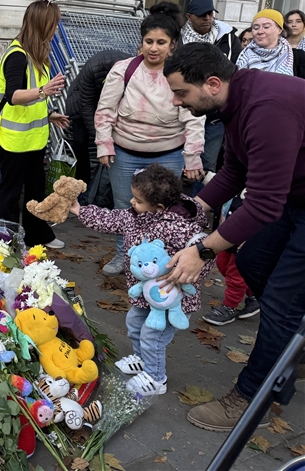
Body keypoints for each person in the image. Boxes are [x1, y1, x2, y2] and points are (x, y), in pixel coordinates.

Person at [163, 42, 305, 431]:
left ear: (211, 83)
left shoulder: (266, 109)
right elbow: (233, 172)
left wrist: (202, 251)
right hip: (293, 196)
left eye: (180, 93)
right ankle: (291, 342)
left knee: (280, 303)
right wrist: (189, 210)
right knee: (252, 261)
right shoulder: (233, 102)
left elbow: (262, 206)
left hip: (290, 201)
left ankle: (250, 400)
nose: (176, 101)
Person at [69, 164, 211, 395]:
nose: (132, 203)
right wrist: (80, 210)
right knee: (135, 325)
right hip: (145, 291)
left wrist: (181, 278)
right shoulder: (135, 216)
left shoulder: (180, 228)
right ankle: (142, 359)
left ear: (159, 207)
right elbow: (110, 219)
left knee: (153, 337)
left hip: (171, 299)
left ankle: (156, 379)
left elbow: (202, 256)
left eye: (138, 200)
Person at [94, 2, 206, 276]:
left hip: (168, 152)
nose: (154, 48)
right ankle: (125, 256)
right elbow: (105, 110)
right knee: (126, 208)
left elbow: (194, 117)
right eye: (149, 41)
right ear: (141, 42)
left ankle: (161, 259)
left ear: (173, 45)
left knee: (164, 210)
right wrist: (104, 144)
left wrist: (192, 157)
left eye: (161, 42)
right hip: (124, 152)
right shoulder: (124, 69)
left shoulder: (182, 74)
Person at [0, 0, 69, 248]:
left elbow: (32, 98)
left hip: (33, 139)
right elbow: (13, 96)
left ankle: (37, 235)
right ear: (42, 25)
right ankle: (4, 241)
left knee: (36, 190)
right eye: (54, 24)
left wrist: (48, 115)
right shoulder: (17, 55)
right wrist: (45, 91)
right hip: (13, 140)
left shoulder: (37, 55)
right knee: (11, 193)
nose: (56, 29)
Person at [180, 0, 242, 193]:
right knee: (181, 162)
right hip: (186, 112)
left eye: (210, 13)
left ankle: (197, 209)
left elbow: (233, 71)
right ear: (189, 17)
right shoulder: (178, 38)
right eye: (202, 15)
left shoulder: (228, 38)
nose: (208, 18)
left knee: (206, 167)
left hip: (215, 117)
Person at [64, 50, 130, 185]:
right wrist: (99, 135)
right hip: (80, 101)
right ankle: (83, 182)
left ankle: (106, 181)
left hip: (110, 102)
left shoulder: (130, 69)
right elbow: (86, 106)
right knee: (80, 142)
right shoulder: (94, 69)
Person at [201, 187, 261, 326]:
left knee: (236, 276)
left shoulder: (259, 187)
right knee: (223, 266)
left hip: (243, 240)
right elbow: (219, 181)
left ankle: (229, 307)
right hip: (224, 235)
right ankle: (254, 295)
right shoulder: (237, 177)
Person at [236, 9, 295, 76]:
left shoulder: (293, 57)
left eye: (266, 27)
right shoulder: (243, 56)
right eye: (256, 28)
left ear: (280, 30)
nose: (260, 31)